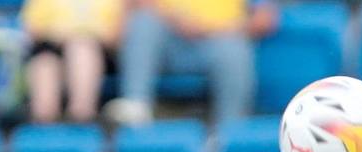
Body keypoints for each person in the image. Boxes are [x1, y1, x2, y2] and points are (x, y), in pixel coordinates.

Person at [105, 0, 277, 128]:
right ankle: (136, 106)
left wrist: (214, 28)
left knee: (235, 50)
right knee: (143, 22)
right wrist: (177, 20)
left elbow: (265, 19)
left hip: (221, 41)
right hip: (169, 37)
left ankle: (231, 132)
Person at [21, 0, 123, 123]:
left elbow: (115, 36)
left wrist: (77, 36)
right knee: (44, 64)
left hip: (98, 53)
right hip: (52, 49)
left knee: (80, 50)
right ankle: (44, 124)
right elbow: (33, 31)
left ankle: (81, 118)